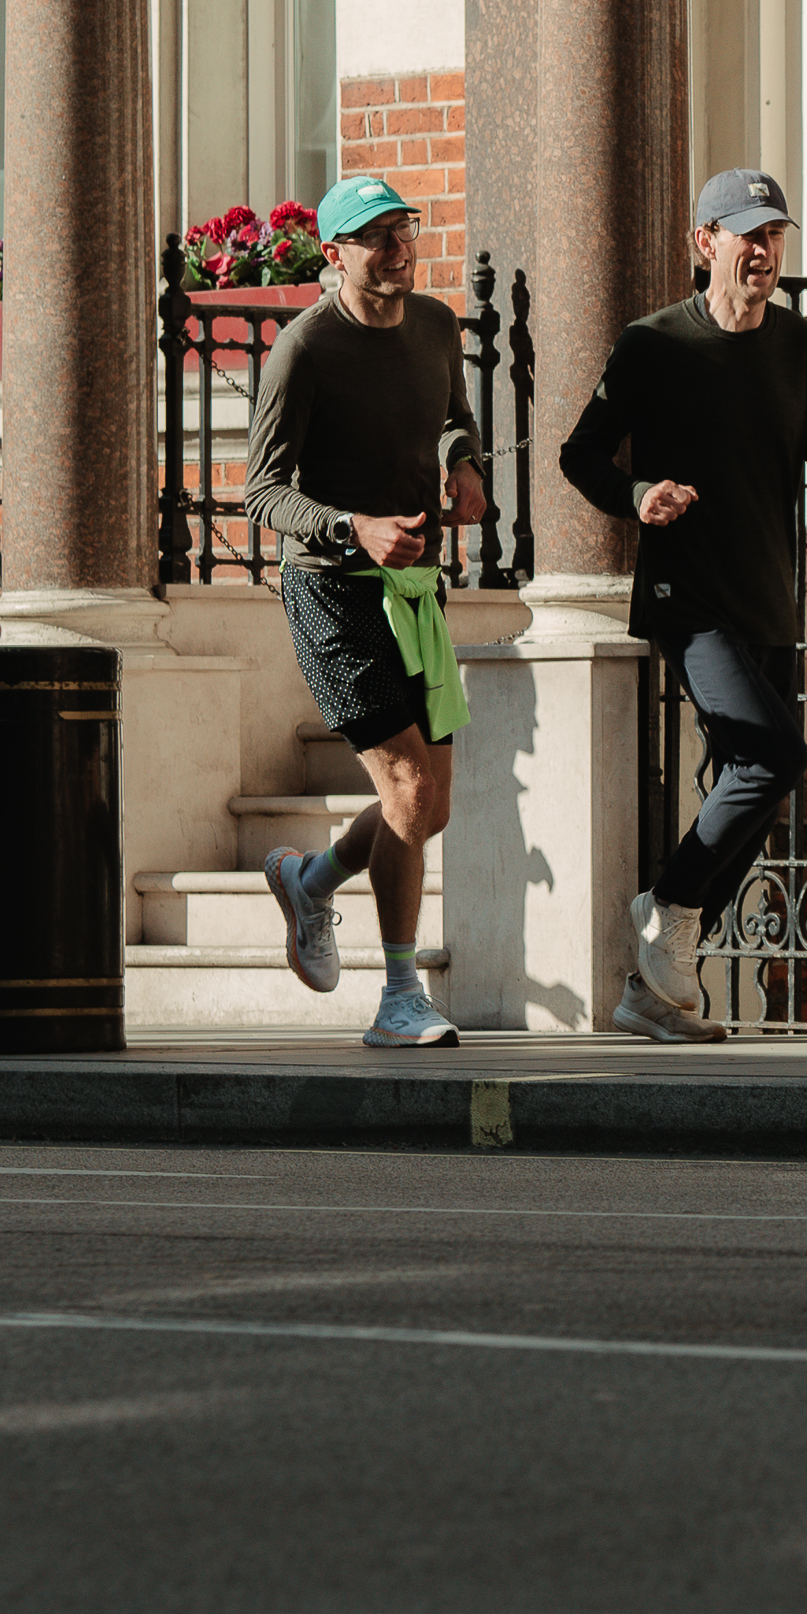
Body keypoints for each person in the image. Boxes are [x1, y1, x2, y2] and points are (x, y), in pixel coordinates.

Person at [559, 164, 807, 1044]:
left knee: (763, 788)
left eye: (775, 236)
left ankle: (653, 989)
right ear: (706, 243)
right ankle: (670, 910)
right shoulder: (653, 344)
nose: (765, 252)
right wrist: (638, 496)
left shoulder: (802, 350)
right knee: (771, 756)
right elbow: (580, 456)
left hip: (769, 593)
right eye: (749, 236)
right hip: (686, 595)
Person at [246, 174, 491, 1050]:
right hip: (331, 592)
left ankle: (310, 882)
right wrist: (353, 528)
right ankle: (398, 996)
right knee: (410, 789)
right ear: (334, 254)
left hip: (414, 592)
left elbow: (452, 417)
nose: (399, 249)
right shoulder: (303, 351)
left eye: (405, 230)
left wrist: (463, 465)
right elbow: (263, 494)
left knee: (428, 808)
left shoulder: (434, 326)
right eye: (377, 237)